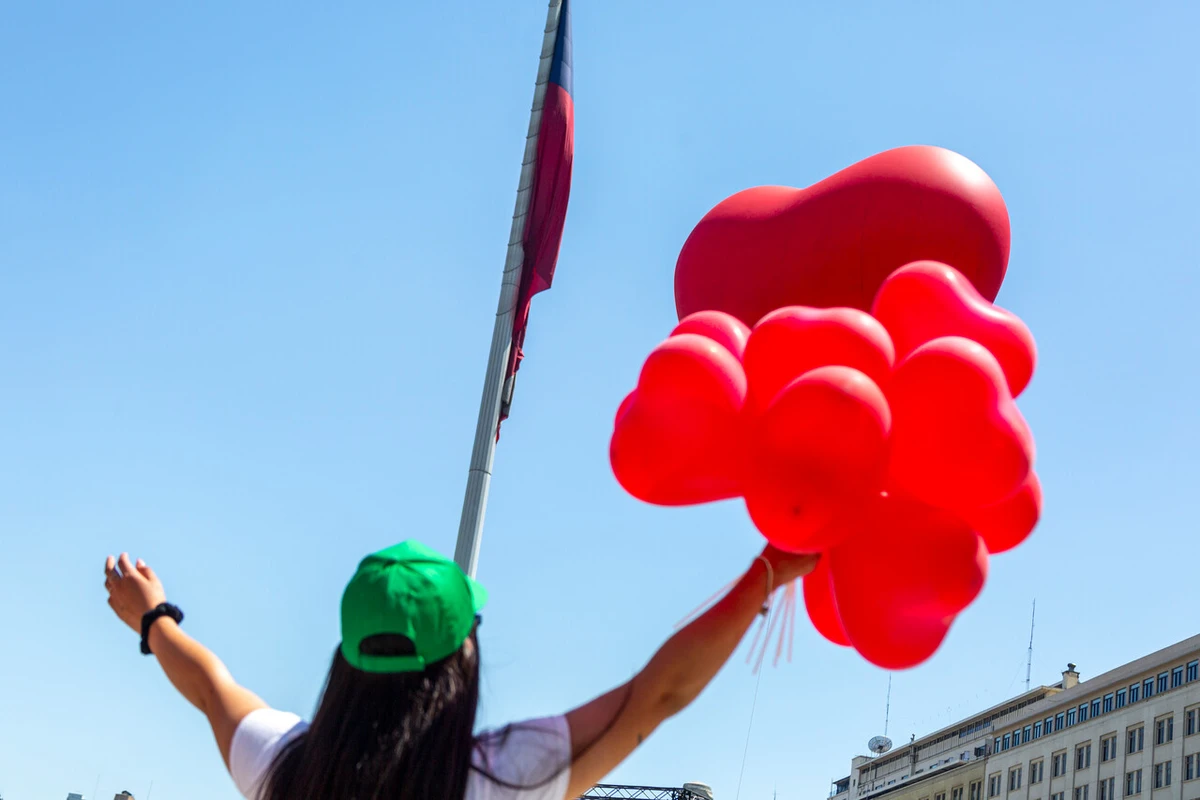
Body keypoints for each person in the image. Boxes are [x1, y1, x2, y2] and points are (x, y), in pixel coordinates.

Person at [103, 540, 817, 799]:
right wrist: (766, 573)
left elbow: (208, 685)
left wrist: (152, 615)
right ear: (458, 664)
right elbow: (657, 694)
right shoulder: (501, 777)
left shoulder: (282, 767)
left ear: (348, 660)